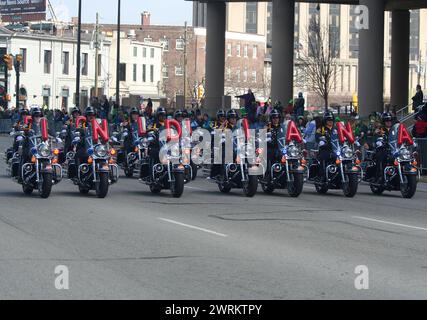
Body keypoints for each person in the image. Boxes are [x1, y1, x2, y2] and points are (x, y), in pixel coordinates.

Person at [372, 112, 394, 182]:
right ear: (384, 122)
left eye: (390, 120)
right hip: (383, 148)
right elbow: (376, 135)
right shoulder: (380, 129)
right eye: (387, 121)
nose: (389, 122)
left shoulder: (394, 129)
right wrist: (379, 140)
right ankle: (379, 175)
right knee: (381, 157)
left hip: (393, 149)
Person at [315, 112, 336, 183]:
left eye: (331, 120)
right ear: (325, 121)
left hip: (335, 149)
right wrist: (321, 141)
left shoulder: (336, 129)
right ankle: (322, 175)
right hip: (325, 149)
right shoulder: (322, 129)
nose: (330, 121)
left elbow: (343, 136)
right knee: (324, 157)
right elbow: (317, 136)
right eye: (328, 120)